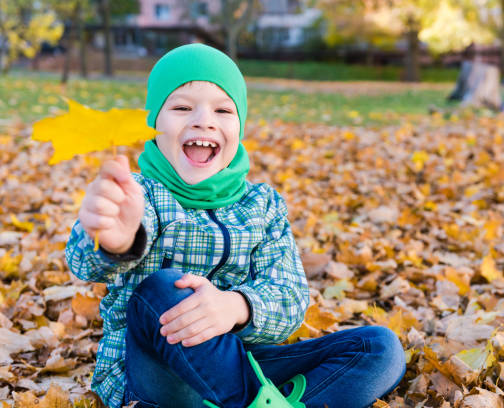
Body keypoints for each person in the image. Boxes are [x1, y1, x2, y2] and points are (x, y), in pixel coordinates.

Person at [65, 43, 406, 408]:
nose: (203, 120)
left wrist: (235, 306)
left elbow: (289, 299)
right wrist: (119, 242)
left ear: (239, 126)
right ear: (154, 123)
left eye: (223, 110)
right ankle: (254, 402)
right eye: (181, 107)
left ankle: (263, 402)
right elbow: (83, 261)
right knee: (165, 288)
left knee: (379, 348)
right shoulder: (138, 194)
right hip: (157, 377)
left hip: (243, 364)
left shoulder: (262, 206)